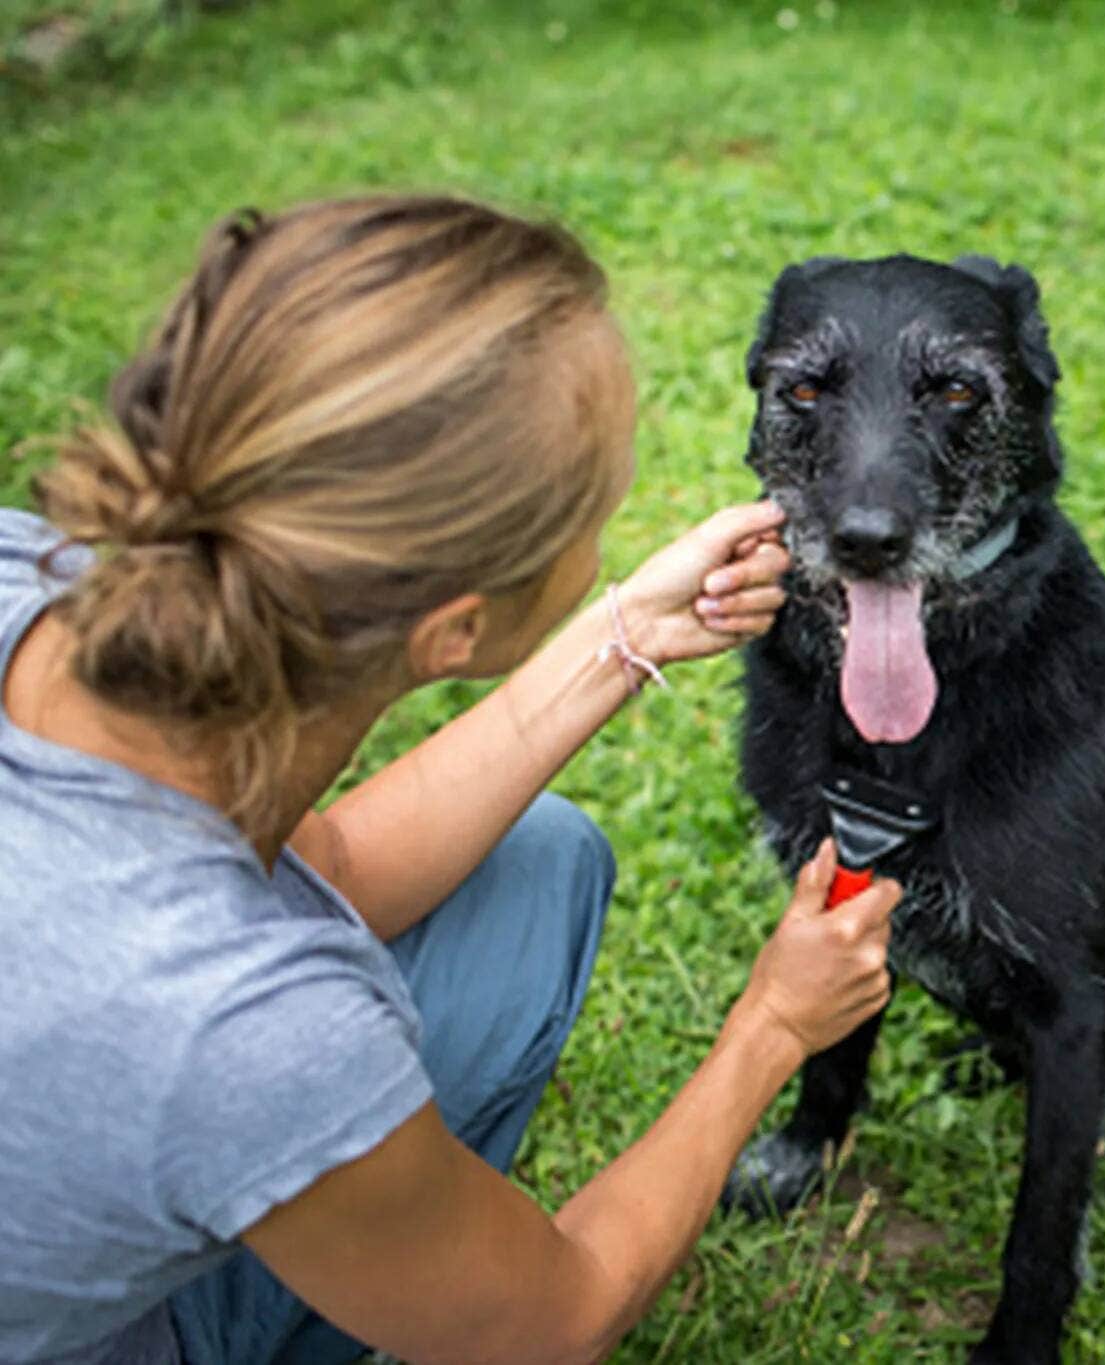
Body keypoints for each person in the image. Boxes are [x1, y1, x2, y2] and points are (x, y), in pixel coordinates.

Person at [0, 196, 900, 1364]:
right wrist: (774, 1024)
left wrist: (618, 627)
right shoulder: (248, 1030)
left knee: (538, 862)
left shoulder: (33, 574)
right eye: (593, 511)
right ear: (454, 632)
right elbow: (551, 1319)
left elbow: (317, 870)